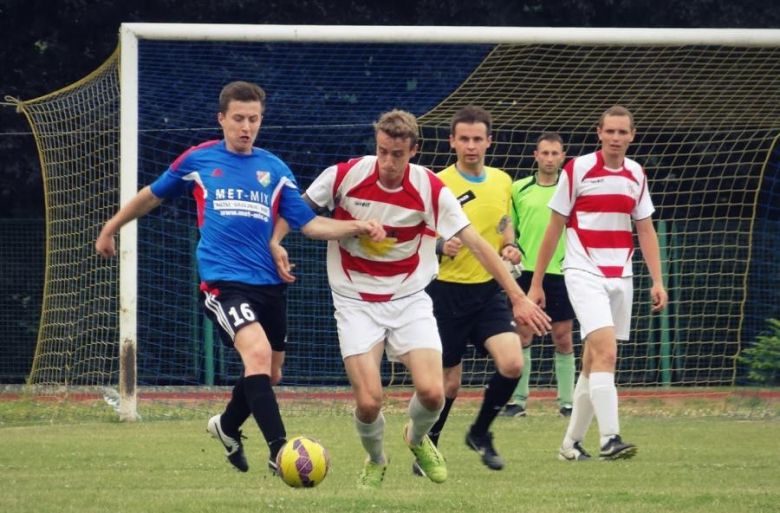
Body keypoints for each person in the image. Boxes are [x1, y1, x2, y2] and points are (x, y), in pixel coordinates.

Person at [95, 81, 385, 475]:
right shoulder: (199, 160)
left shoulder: (275, 170)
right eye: (238, 119)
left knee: (271, 372)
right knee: (258, 355)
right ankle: (280, 451)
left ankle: (227, 426)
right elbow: (152, 194)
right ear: (222, 119)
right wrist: (111, 228)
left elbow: (309, 224)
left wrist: (356, 227)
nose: (246, 127)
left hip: (269, 284)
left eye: (253, 119)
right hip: (223, 283)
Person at [271, 109, 551, 488]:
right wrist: (280, 240)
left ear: (413, 151)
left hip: (409, 298)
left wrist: (517, 297)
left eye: (397, 154)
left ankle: (417, 439)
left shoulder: (430, 188)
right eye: (382, 151)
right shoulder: (344, 175)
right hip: (355, 301)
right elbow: (301, 215)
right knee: (369, 402)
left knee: (434, 393)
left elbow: (477, 244)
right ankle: (376, 458)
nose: (388, 162)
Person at [528, 106, 667, 461]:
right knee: (607, 352)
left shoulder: (636, 174)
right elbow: (554, 227)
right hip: (582, 270)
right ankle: (610, 438)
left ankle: (569, 445)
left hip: (621, 275)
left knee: (593, 362)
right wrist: (537, 283)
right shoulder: (577, 169)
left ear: (632, 136)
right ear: (599, 133)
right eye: (610, 131)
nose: (616, 138)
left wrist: (657, 280)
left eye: (622, 132)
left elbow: (645, 229)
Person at [413, 105, 524, 474]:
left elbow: (504, 223)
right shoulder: (436, 182)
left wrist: (511, 245)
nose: (471, 146)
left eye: (478, 139)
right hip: (446, 293)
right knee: (449, 384)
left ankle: (479, 433)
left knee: (512, 364)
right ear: (452, 141)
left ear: (489, 141)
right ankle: (428, 447)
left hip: (488, 292)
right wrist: (439, 245)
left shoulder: (502, 181)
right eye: (464, 139)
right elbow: (416, 234)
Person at [500, 133, 576, 418]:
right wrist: (509, 246)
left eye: (555, 153)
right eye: (545, 153)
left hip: (562, 271)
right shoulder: (518, 189)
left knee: (563, 337)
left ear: (563, 157)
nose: (549, 158)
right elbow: (508, 225)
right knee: (522, 334)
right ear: (536, 156)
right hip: (526, 270)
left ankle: (567, 403)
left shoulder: (571, 190)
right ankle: (518, 402)